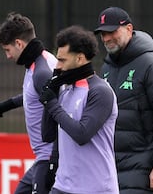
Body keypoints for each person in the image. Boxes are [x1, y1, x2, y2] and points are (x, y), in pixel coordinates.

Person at [94, 6, 153, 194]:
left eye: (111, 32)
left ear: (129, 29)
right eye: (102, 34)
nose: (106, 38)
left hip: (144, 170)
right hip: (111, 169)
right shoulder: (107, 68)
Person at [39, 25, 119, 194]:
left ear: (80, 58)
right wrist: (51, 95)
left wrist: (52, 104)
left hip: (96, 189)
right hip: (62, 186)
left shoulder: (100, 91)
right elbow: (47, 135)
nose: (58, 66)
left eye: (62, 60)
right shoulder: (64, 88)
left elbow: (81, 134)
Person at [0, 12, 58, 194]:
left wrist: (54, 158)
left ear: (19, 43)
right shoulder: (37, 63)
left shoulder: (41, 71)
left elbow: (59, 111)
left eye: (7, 50)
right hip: (43, 157)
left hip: (50, 157)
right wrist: (7, 104)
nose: (8, 56)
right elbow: (34, 95)